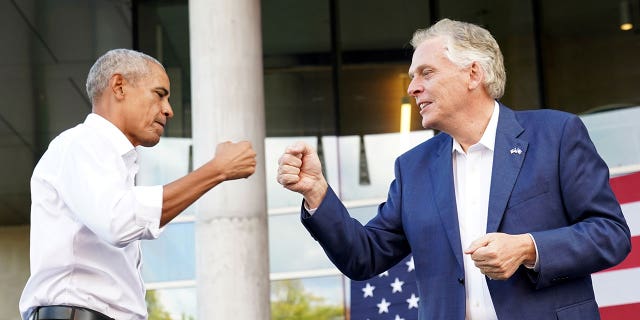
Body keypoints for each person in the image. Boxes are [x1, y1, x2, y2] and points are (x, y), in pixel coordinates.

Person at [277, 19, 631, 320]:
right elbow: (363, 257)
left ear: (473, 73)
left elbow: (610, 234)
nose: (412, 87)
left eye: (426, 73)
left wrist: (528, 247)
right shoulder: (412, 168)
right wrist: (316, 193)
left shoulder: (556, 135)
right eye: (413, 76)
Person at [19, 49, 257, 320]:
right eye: (159, 94)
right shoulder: (81, 143)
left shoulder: (109, 160)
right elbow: (119, 221)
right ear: (119, 86)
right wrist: (217, 170)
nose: (169, 109)